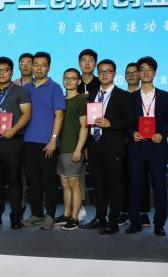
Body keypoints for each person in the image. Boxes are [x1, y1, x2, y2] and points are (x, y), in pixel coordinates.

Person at [80, 60, 135, 234]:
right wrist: (87, 145)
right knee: (98, 185)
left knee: (114, 185)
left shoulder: (123, 95)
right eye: (101, 71)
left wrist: (111, 123)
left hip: (113, 147)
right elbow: (88, 123)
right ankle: (100, 217)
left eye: (108, 71)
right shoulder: (92, 94)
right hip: (94, 146)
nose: (104, 74)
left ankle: (113, 221)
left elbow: (131, 120)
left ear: (114, 74)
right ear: (98, 74)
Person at [126, 56, 168, 236]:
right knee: (134, 186)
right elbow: (126, 122)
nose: (146, 72)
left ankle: (160, 223)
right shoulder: (130, 97)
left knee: (159, 187)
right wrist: (132, 133)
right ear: (138, 73)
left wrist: (162, 134)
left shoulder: (166, 96)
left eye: (149, 69)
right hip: (137, 147)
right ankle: (135, 221)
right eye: (142, 69)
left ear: (155, 72)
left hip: (157, 147)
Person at [0, 57, 31, 228]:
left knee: (14, 181)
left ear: (12, 72)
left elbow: (27, 114)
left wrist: (13, 130)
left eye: (5, 70)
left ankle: (16, 217)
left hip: (14, 141)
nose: (1, 73)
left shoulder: (21, 91)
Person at [22, 51, 65, 230]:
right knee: (33, 180)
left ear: (49, 67)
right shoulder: (26, 88)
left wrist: (53, 140)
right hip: (28, 141)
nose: (39, 68)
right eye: (36, 64)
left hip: (47, 143)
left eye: (43, 65)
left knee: (49, 181)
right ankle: (36, 213)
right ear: (32, 66)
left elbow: (59, 115)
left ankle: (50, 215)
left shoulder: (55, 87)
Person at [54, 68, 88, 231]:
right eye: (66, 78)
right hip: (60, 148)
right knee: (65, 183)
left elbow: (84, 127)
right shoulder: (60, 100)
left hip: (73, 148)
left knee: (74, 183)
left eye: (72, 78)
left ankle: (75, 218)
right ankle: (66, 214)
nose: (68, 80)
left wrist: (78, 149)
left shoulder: (81, 100)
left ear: (79, 81)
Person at [119, 62, 151, 227]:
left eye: (134, 72)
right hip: (123, 143)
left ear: (139, 75)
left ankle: (143, 212)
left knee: (142, 179)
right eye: (128, 73)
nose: (131, 75)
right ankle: (124, 211)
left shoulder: (146, 96)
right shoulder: (120, 95)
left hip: (142, 143)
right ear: (124, 76)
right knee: (123, 178)